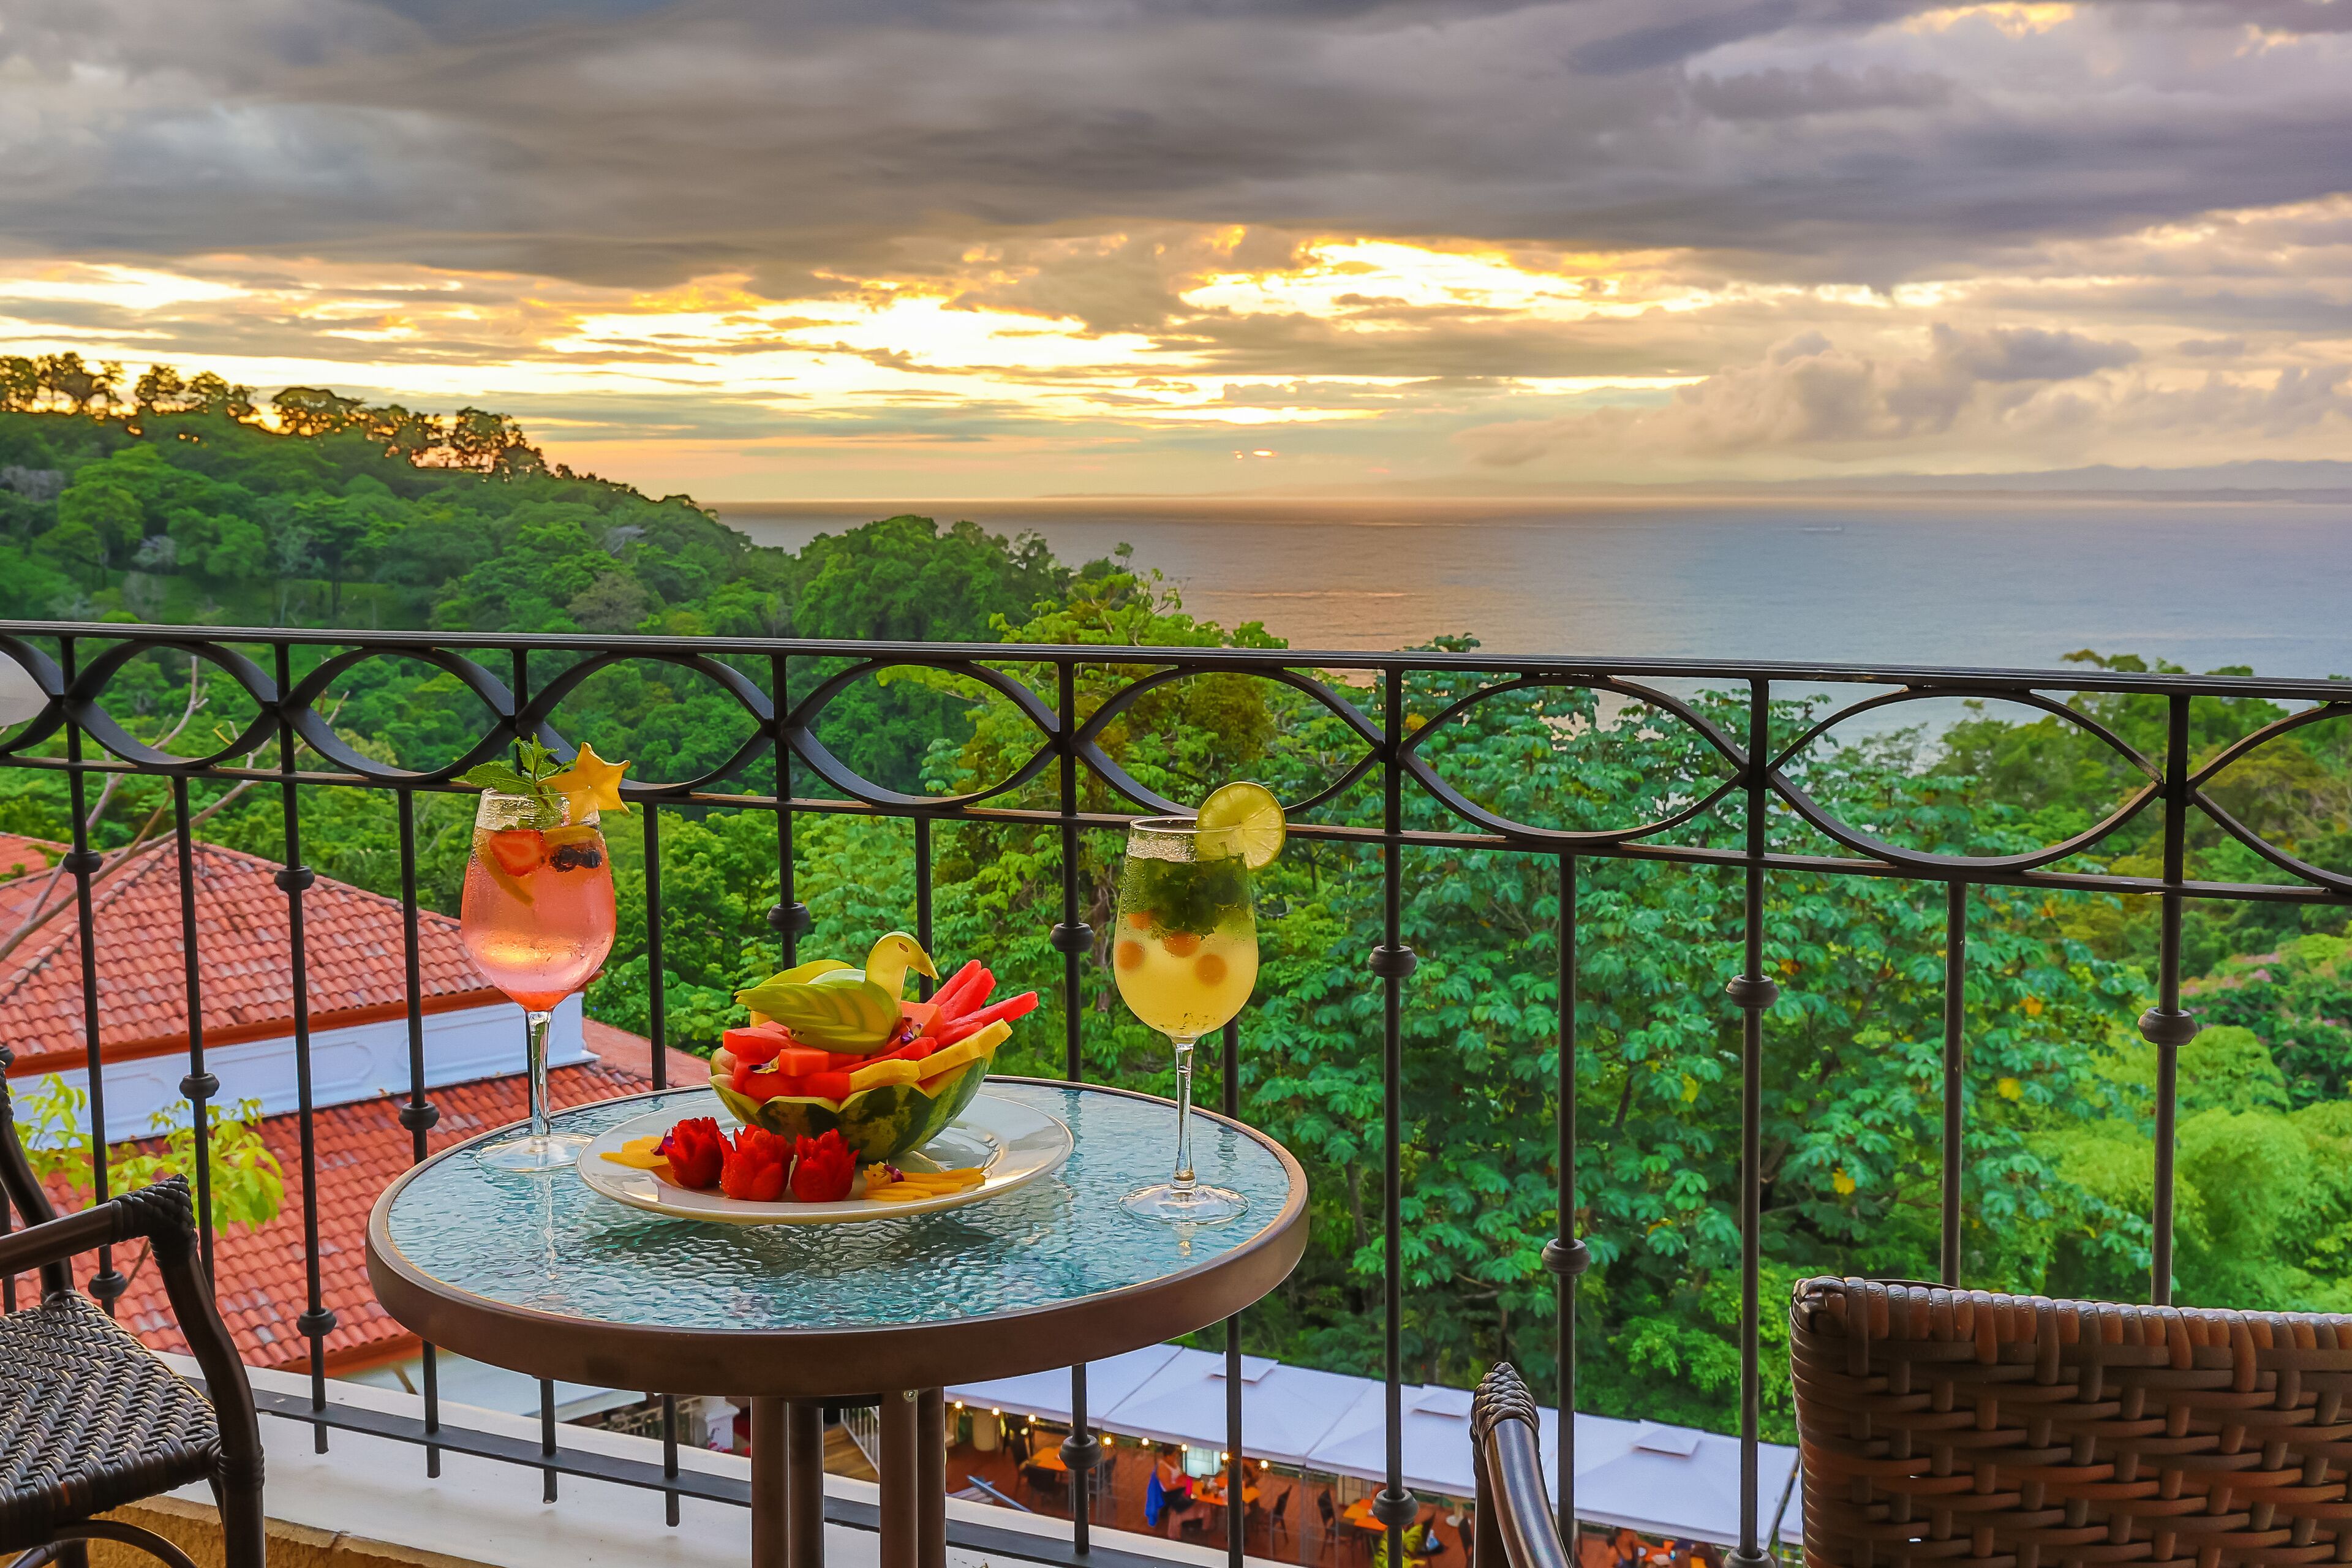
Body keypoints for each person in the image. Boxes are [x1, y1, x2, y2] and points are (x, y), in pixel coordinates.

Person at [1155, 1447, 1197, 1537]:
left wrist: (1186, 1478)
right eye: (1174, 1456)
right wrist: (1182, 1485)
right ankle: (1187, 1519)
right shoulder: (1163, 1468)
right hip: (1171, 1493)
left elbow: (1179, 1474)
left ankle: (1194, 1518)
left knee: (1196, 1493)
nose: (1176, 1457)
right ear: (1167, 1456)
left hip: (1179, 1488)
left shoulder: (1173, 1462)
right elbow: (1167, 1486)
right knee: (1193, 1499)